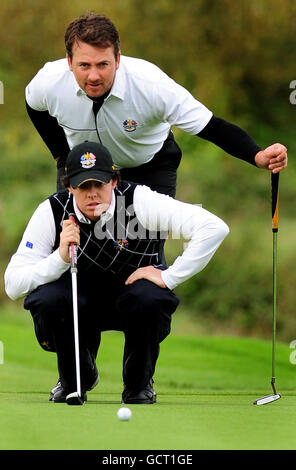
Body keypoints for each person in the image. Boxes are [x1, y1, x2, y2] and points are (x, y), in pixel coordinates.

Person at [4, 141, 229, 404]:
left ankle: (139, 384)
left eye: (98, 184)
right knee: (47, 300)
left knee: (152, 297)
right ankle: (75, 378)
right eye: (83, 186)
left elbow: (214, 227)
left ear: (113, 181)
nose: (92, 194)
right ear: (69, 187)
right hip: (79, 301)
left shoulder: (140, 200)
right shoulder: (52, 211)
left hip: (132, 298)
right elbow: (13, 285)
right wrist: (59, 258)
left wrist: (170, 276)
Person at [25, 13, 287, 196]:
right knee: (75, 249)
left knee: (143, 253)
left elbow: (212, 127)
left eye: (102, 64)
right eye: (84, 65)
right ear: (70, 63)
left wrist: (257, 155)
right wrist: (61, 156)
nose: (93, 76)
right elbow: (33, 105)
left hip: (149, 167)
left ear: (117, 59)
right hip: (86, 166)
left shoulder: (151, 85)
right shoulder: (50, 82)